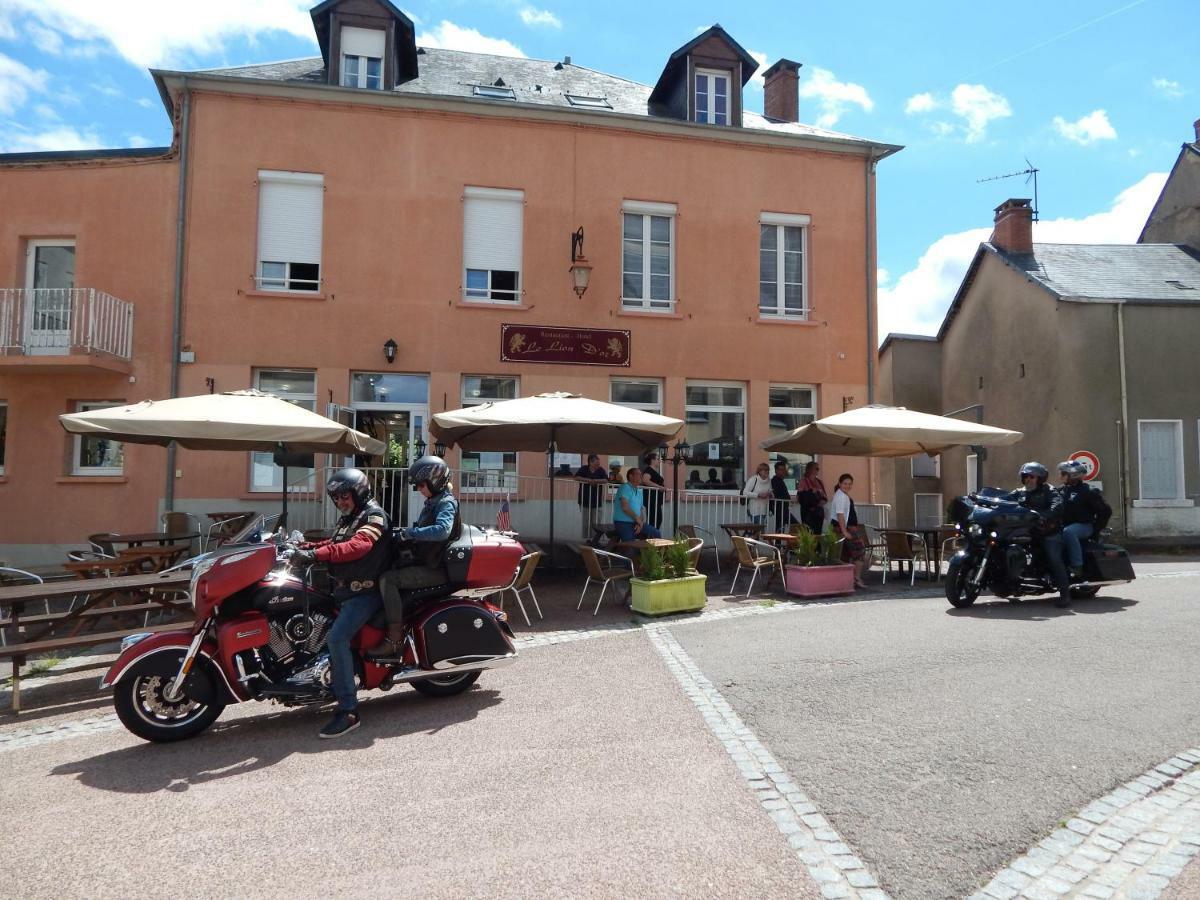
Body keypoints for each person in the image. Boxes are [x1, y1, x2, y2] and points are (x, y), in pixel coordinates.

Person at [290, 468, 391, 739]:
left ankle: (348, 710)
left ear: (358, 492)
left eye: (344, 496)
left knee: (337, 639)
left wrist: (316, 556)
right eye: (335, 497)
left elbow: (358, 546)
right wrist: (303, 548)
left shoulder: (374, 516)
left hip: (366, 594)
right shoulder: (350, 518)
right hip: (344, 592)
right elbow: (335, 542)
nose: (340, 502)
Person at [367, 454, 459, 661]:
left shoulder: (446, 503)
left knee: (387, 579)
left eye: (420, 484)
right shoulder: (433, 502)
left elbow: (442, 530)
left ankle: (394, 639)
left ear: (434, 481)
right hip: (426, 561)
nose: (418, 489)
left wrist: (411, 533)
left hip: (436, 569)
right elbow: (423, 530)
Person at [1005, 461, 1070, 607]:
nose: (1028, 479)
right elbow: (1003, 501)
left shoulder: (1049, 491)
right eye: (1026, 476)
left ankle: (1065, 593)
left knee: (1054, 557)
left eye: (1032, 476)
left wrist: (1043, 515)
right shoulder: (1019, 492)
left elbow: (1057, 505)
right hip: (1026, 531)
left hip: (1047, 532)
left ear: (1040, 479)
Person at [1057, 460, 1112, 577]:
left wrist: (1097, 529)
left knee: (1069, 532)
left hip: (1084, 526)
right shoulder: (1062, 490)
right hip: (1065, 524)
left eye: (1063, 473)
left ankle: (1077, 566)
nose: (1060, 476)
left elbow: (1105, 511)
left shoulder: (1087, 491)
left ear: (1073, 475)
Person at [829, 473, 868, 588]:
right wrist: (845, 531)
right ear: (840, 483)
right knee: (860, 551)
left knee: (844, 554)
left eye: (850, 484)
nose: (847, 486)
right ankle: (856, 578)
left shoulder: (842, 495)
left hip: (844, 528)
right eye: (845, 483)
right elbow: (840, 514)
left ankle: (846, 580)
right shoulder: (841, 496)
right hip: (844, 528)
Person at [613, 466, 661, 542]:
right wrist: (637, 519)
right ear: (631, 476)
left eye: (641, 474)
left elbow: (641, 510)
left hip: (636, 523)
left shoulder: (639, 491)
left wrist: (639, 523)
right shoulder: (625, 487)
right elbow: (625, 507)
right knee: (630, 546)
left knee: (656, 533)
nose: (641, 476)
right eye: (638, 474)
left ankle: (651, 553)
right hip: (623, 523)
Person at [575, 453, 610, 542]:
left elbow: (606, 480)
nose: (598, 466)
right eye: (596, 464)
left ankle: (595, 539)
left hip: (597, 500)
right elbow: (576, 477)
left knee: (596, 521)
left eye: (598, 464)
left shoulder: (601, 470)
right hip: (585, 499)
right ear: (590, 462)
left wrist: (595, 481)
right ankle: (588, 539)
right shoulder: (584, 469)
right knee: (586, 521)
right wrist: (588, 480)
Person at [796, 461, 828, 534]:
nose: (818, 470)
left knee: (818, 532)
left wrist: (821, 502)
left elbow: (825, 496)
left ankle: (817, 545)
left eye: (818, 469)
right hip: (807, 512)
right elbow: (799, 497)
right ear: (810, 469)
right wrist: (811, 492)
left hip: (818, 511)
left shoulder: (819, 482)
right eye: (816, 468)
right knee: (808, 532)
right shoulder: (803, 481)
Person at [641, 450, 665, 531]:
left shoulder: (653, 471)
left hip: (656, 500)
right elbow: (645, 480)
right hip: (651, 500)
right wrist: (659, 487)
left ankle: (652, 536)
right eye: (657, 459)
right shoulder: (649, 470)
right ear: (652, 460)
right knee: (655, 520)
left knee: (657, 519)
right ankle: (651, 538)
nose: (659, 461)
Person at [770, 460, 796, 532]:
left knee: (780, 528)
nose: (784, 472)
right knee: (796, 526)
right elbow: (775, 494)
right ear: (776, 471)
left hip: (783, 508)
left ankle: (778, 542)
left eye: (784, 469)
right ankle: (780, 542)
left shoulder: (780, 480)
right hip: (780, 509)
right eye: (781, 470)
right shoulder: (775, 481)